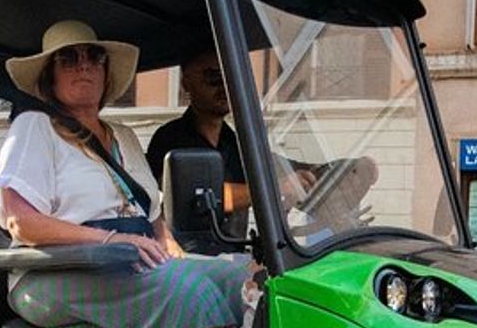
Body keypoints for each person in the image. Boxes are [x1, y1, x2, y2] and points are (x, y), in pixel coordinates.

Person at [0, 20, 259, 328]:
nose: (83, 66)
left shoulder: (126, 138)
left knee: (247, 277)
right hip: (56, 270)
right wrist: (109, 240)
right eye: (68, 58)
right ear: (49, 76)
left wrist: (183, 256)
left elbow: (156, 224)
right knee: (184, 292)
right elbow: (20, 219)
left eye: (92, 56)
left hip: (129, 261)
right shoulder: (34, 127)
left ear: (106, 71)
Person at [147, 48, 377, 242]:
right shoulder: (169, 140)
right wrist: (275, 188)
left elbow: (283, 169)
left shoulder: (238, 144)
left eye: (229, 77)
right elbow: (192, 198)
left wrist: (347, 169)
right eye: (213, 77)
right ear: (187, 83)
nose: (224, 87)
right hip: (188, 259)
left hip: (238, 257)